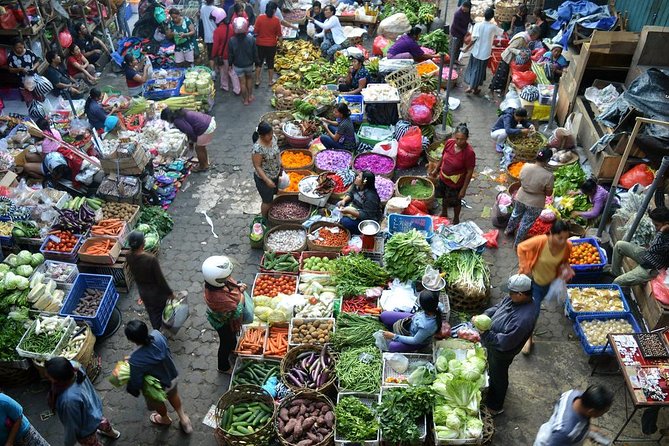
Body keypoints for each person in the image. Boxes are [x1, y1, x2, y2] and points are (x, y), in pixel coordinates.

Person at [478, 274, 536, 416]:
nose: (508, 295)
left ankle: (496, 406)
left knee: (499, 375)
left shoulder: (523, 320)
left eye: (511, 292)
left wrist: (484, 333)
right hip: (494, 344)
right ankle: (494, 387)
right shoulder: (513, 299)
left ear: (521, 294)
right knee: (494, 370)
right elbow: (498, 307)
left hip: (502, 351)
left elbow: (503, 343)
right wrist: (484, 315)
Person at [124, 320, 193, 433]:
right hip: (171, 377)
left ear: (131, 339)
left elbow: (136, 382)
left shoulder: (135, 359)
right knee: (174, 395)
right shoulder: (157, 335)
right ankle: (183, 418)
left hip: (157, 388)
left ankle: (164, 419)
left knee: (159, 403)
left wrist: (131, 365)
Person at [517, 220, 572, 354]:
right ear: (551, 234)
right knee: (533, 313)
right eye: (560, 238)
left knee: (532, 310)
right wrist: (525, 267)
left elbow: (564, 261)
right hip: (534, 282)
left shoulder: (568, 246)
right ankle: (527, 339)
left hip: (550, 283)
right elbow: (521, 247)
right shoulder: (541, 241)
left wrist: (566, 269)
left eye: (566, 238)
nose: (563, 241)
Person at [44, 357, 121, 446]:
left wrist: (68, 443)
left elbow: (72, 426)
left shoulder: (68, 400)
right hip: (93, 407)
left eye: (49, 377)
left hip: (86, 427)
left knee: (91, 443)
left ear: (59, 380)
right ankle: (113, 434)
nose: (47, 376)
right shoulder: (74, 366)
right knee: (101, 421)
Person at [202, 256, 252, 372]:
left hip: (228, 321)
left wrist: (238, 286)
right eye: (226, 277)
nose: (229, 278)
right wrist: (242, 297)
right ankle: (223, 367)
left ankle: (233, 349)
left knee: (231, 339)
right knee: (225, 343)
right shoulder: (218, 298)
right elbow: (236, 311)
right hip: (224, 324)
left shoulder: (216, 282)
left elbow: (231, 284)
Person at [534, 385, 614, 445]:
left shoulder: (573, 394)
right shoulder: (565, 433)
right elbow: (568, 432)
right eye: (603, 412)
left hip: (549, 431)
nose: (603, 414)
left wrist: (587, 430)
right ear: (591, 411)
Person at [429, 123, 476, 225]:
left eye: (462, 139)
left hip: (455, 183)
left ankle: (456, 219)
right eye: (457, 138)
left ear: (467, 138)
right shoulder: (449, 143)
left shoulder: (469, 153)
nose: (459, 141)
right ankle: (444, 212)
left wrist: (463, 189)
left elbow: (469, 172)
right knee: (444, 197)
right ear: (454, 136)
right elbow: (443, 157)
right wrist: (436, 170)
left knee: (455, 202)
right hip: (443, 178)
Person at [505, 148, 554, 246]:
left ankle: (508, 231)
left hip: (521, 196)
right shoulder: (549, 176)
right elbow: (549, 193)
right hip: (535, 203)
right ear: (548, 160)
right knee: (525, 223)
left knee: (515, 214)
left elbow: (520, 181)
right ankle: (517, 243)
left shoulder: (526, 166)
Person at [126, 231, 174, 330]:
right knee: (161, 310)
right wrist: (170, 293)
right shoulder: (150, 259)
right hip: (156, 293)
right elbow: (160, 280)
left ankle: (156, 329)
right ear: (143, 244)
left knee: (152, 312)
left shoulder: (128, 255)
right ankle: (165, 327)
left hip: (143, 291)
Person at [611, 206, 669, 287]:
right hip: (647, 255)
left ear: (666, 224)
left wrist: (661, 231)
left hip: (652, 267)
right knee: (619, 245)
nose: (655, 228)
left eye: (657, 225)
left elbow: (653, 248)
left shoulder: (664, 234)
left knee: (617, 282)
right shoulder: (663, 230)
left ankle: (620, 289)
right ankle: (614, 273)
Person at [380, 290, 445, 352]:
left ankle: (395, 334)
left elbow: (414, 340)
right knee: (384, 315)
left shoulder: (427, 326)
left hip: (416, 340)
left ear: (423, 307)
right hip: (413, 319)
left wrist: (394, 336)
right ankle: (392, 330)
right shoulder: (436, 305)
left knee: (391, 346)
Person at [489, 25, 541, 94]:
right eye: (536, 36)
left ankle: (500, 89)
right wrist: (519, 52)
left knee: (504, 75)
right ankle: (494, 89)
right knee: (501, 75)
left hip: (511, 59)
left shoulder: (526, 38)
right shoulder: (522, 38)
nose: (536, 38)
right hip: (507, 57)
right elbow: (510, 48)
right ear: (533, 34)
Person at [463, 8, 502, 95]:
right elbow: (501, 32)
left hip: (476, 51)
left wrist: (467, 48)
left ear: (484, 15)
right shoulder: (493, 27)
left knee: (474, 69)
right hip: (485, 53)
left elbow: (474, 39)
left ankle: (473, 87)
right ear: (492, 17)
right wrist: (497, 22)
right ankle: (473, 87)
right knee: (480, 71)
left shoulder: (477, 25)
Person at [252, 121, 281, 218]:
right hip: (264, 179)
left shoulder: (273, 138)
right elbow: (257, 166)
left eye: (271, 133)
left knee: (275, 194)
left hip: (275, 173)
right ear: (261, 136)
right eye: (268, 134)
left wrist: (281, 165)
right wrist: (267, 180)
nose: (271, 136)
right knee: (267, 201)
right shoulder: (258, 149)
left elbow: (277, 153)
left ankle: (273, 214)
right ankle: (264, 219)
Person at [229, 17, 258, 105]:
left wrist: (230, 64)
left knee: (242, 83)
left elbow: (230, 54)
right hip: (249, 65)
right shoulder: (251, 39)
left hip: (238, 66)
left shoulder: (232, 40)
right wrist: (257, 62)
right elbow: (255, 53)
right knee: (249, 79)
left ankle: (245, 100)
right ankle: (250, 96)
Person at [254, 1, 282, 87]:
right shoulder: (276, 20)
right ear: (274, 10)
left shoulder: (259, 18)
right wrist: (281, 43)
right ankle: (270, 81)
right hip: (271, 45)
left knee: (259, 63)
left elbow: (255, 32)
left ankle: (257, 80)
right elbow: (279, 35)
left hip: (260, 44)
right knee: (270, 63)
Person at [212, 10, 241, 94]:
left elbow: (215, 46)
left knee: (224, 71)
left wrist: (213, 55)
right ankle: (236, 88)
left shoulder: (217, 31)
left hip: (223, 55)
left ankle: (226, 86)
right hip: (233, 53)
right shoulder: (232, 27)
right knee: (232, 71)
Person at [200, 0, 220, 73]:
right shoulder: (216, 9)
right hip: (216, 35)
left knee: (210, 55)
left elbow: (201, 20)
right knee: (218, 53)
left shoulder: (202, 9)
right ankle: (218, 68)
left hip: (207, 36)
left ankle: (213, 71)